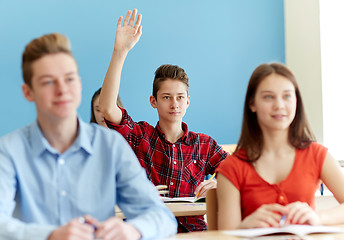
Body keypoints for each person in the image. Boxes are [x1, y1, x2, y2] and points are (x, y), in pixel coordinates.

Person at [0, 32, 177, 240]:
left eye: (69, 79)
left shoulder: (110, 146)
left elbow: (162, 218)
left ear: (79, 84)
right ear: (28, 92)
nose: (62, 90)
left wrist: (132, 230)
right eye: (48, 82)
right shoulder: (9, 151)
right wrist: (50, 236)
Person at [98, 9, 228, 232]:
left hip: (193, 231)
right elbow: (108, 108)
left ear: (188, 101)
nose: (174, 104)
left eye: (179, 98)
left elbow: (238, 170)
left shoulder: (204, 144)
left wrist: (220, 183)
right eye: (166, 97)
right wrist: (120, 51)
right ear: (153, 101)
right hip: (148, 229)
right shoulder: (141, 137)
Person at [216, 63, 344, 230]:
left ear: (296, 101)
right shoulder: (231, 168)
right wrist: (244, 227)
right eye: (268, 97)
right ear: (252, 104)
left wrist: (318, 217)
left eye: (287, 96)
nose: (279, 105)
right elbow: (225, 234)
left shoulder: (317, 154)